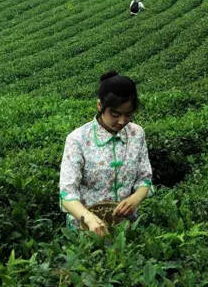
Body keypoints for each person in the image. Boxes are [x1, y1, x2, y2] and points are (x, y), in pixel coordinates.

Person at [59, 71, 154, 237]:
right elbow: (67, 194)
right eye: (115, 114)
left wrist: (135, 199)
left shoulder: (137, 134)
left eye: (128, 114)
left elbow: (144, 178)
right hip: (86, 229)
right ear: (99, 106)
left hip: (126, 227)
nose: (122, 121)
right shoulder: (78, 139)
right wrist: (88, 218)